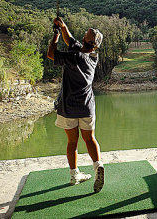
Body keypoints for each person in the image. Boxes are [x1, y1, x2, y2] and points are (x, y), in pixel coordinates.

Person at [47, 17, 104, 193]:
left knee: (72, 141)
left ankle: (74, 174)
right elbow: (71, 40)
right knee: (90, 139)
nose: (88, 31)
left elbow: (51, 54)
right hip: (86, 107)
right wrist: (63, 26)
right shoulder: (93, 56)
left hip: (68, 108)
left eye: (88, 33)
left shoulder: (73, 57)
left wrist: (55, 35)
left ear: (89, 41)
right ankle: (98, 165)